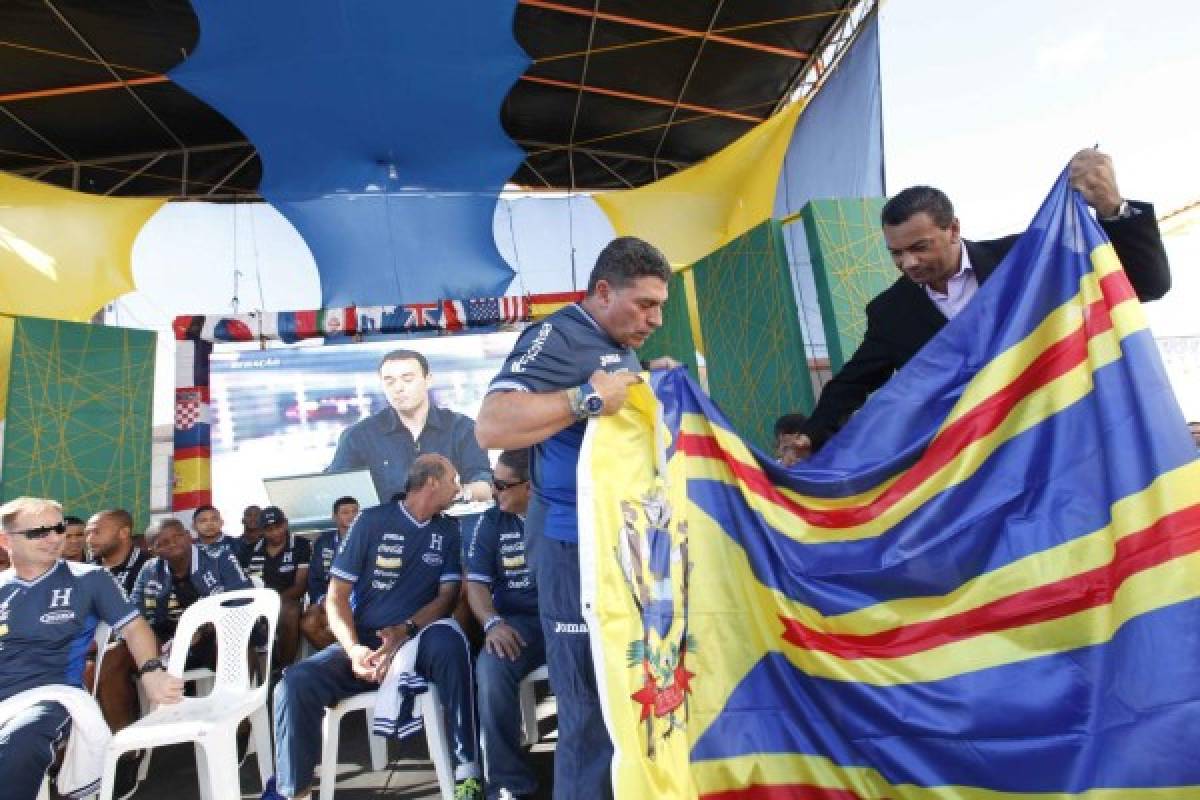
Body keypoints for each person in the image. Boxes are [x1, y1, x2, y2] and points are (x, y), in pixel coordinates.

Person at [783, 149, 1172, 459]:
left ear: (953, 229)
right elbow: (852, 382)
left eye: (920, 247)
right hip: (974, 469)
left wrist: (1112, 208)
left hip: (1064, 443)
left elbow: (1147, 285)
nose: (908, 264)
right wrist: (810, 436)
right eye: (896, 253)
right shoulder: (890, 312)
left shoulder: (1026, 261)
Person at [475, 236, 672, 800]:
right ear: (604, 291)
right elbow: (490, 426)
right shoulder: (554, 336)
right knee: (588, 707)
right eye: (645, 305)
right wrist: (584, 398)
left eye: (661, 306)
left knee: (630, 696)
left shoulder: (619, 343)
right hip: (572, 551)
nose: (655, 319)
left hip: (626, 548)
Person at [267, 454, 482, 800]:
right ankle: (295, 791)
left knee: (450, 643)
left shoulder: (448, 529)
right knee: (294, 683)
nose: (459, 488)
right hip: (367, 643)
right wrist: (354, 650)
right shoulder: (370, 522)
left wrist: (406, 630)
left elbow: (447, 596)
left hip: (419, 637)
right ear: (432, 482)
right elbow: (336, 598)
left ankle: (467, 772)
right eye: (454, 480)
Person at [0, 497, 183, 800]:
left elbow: (135, 627)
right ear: (6, 540)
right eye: (38, 532)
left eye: (58, 529)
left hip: (47, 695)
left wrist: (152, 672)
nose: (54, 538)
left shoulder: (89, 579)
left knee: (19, 744)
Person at [466, 449, 544, 800]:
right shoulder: (491, 521)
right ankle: (508, 783)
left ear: (530, 486)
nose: (493, 491)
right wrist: (491, 622)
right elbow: (477, 585)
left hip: (567, 618)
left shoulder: (560, 512)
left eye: (501, 485)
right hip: (516, 624)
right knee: (491, 667)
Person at [328, 349, 492, 504]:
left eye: (407, 379)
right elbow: (333, 490)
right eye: (389, 381)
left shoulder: (462, 428)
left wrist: (459, 493)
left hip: (451, 526)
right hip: (385, 529)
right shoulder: (358, 436)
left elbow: (483, 482)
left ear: (428, 380)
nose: (398, 388)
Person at [131, 518, 252, 668]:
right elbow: (134, 611)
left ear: (189, 536)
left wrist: (200, 630)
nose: (172, 544)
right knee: (124, 651)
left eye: (177, 537)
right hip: (169, 636)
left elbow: (243, 598)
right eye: (163, 542)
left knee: (231, 642)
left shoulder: (220, 557)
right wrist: (149, 638)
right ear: (153, 550)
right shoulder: (149, 570)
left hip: (214, 631)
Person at [84, 509, 151, 732]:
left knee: (111, 660)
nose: (89, 539)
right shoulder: (86, 571)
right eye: (88, 533)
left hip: (146, 640)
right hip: (95, 644)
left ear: (123, 533)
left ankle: (127, 750)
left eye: (97, 532)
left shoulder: (149, 565)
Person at [239, 506, 311, 667]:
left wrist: (272, 604)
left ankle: (283, 669)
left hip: (288, 601)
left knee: (290, 611)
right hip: (255, 604)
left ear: (285, 524)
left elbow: (300, 585)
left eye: (278, 527)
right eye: (269, 529)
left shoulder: (301, 545)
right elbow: (243, 585)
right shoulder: (249, 551)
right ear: (261, 531)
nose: (275, 532)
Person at [300, 496, 359, 651]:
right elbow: (315, 577)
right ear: (334, 517)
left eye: (355, 511)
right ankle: (343, 661)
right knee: (309, 623)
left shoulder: (370, 538)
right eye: (345, 512)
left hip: (362, 601)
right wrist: (321, 600)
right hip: (330, 600)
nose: (352, 516)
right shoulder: (324, 541)